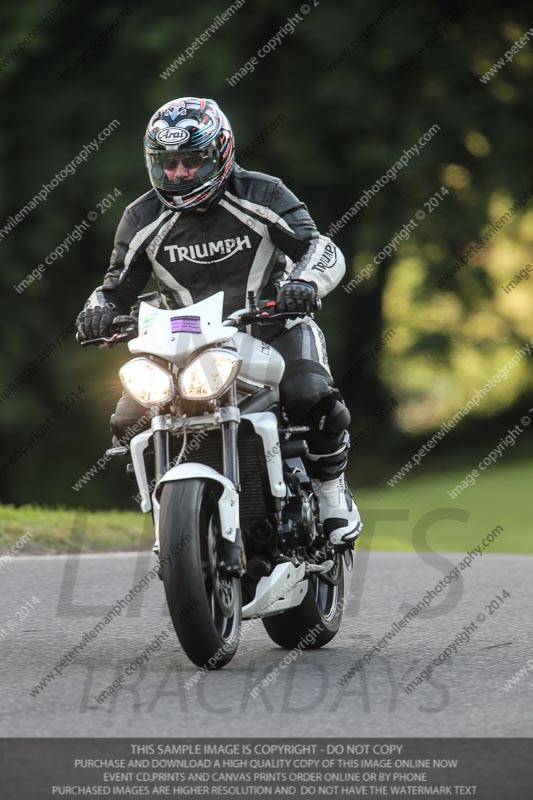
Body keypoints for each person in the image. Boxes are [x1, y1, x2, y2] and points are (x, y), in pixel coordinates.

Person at [76, 96, 362, 548]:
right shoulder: (141, 217)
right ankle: (171, 513)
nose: (179, 173)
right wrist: (98, 313)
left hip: (274, 327)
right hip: (187, 345)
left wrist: (304, 285)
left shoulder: (264, 194)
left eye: (191, 160)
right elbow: (114, 288)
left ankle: (330, 492)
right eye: (167, 164)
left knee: (310, 394)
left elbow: (317, 247)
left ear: (220, 152)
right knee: (128, 416)